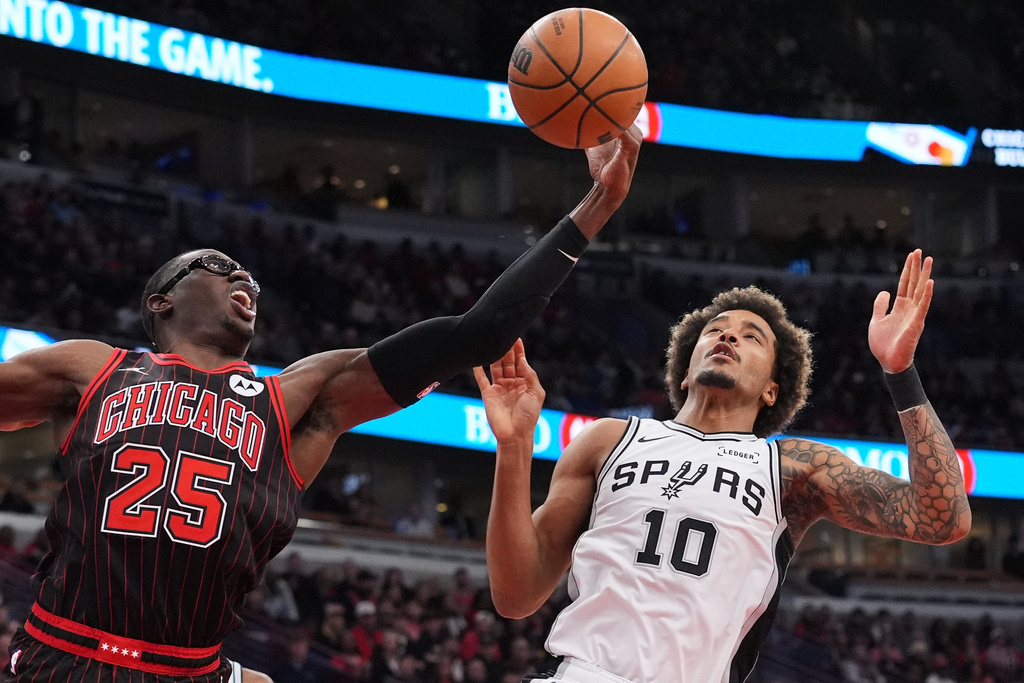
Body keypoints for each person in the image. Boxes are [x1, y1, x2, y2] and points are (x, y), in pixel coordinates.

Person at [0, 126, 642, 682]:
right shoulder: (94, 368)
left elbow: (477, 334)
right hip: (65, 653)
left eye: (247, 275)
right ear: (161, 300)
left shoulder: (298, 398)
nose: (243, 279)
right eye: (219, 266)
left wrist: (596, 205)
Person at [475, 250, 971, 683]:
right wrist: (514, 447)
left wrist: (900, 374)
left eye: (751, 336)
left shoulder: (791, 466)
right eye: (715, 330)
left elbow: (942, 518)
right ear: (685, 369)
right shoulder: (609, 440)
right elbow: (516, 595)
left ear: (773, 388)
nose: (727, 338)